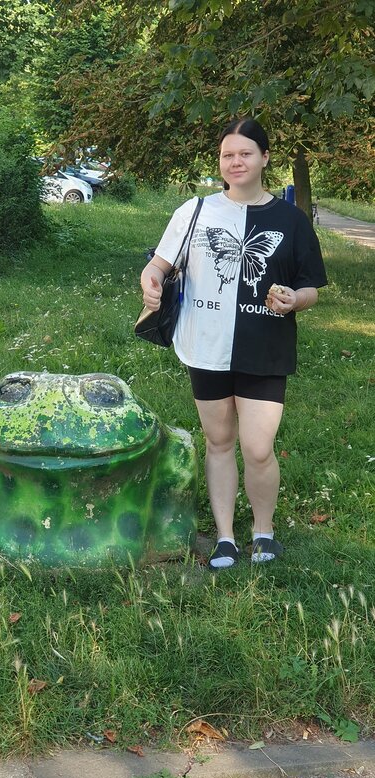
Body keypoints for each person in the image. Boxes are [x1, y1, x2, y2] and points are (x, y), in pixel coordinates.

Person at [140, 118, 327, 570]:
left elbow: (312, 289)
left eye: (245, 153)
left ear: (264, 158)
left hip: (265, 345)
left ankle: (263, 532)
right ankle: (225, 537)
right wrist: (151, 282)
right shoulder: (195, 211)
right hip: (206, 345)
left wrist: (292, 300)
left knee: (258, 447)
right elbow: (159, 266)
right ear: (220, 162)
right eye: (228, 154)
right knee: (218, 440)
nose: (236, 161)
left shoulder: (291, 220)